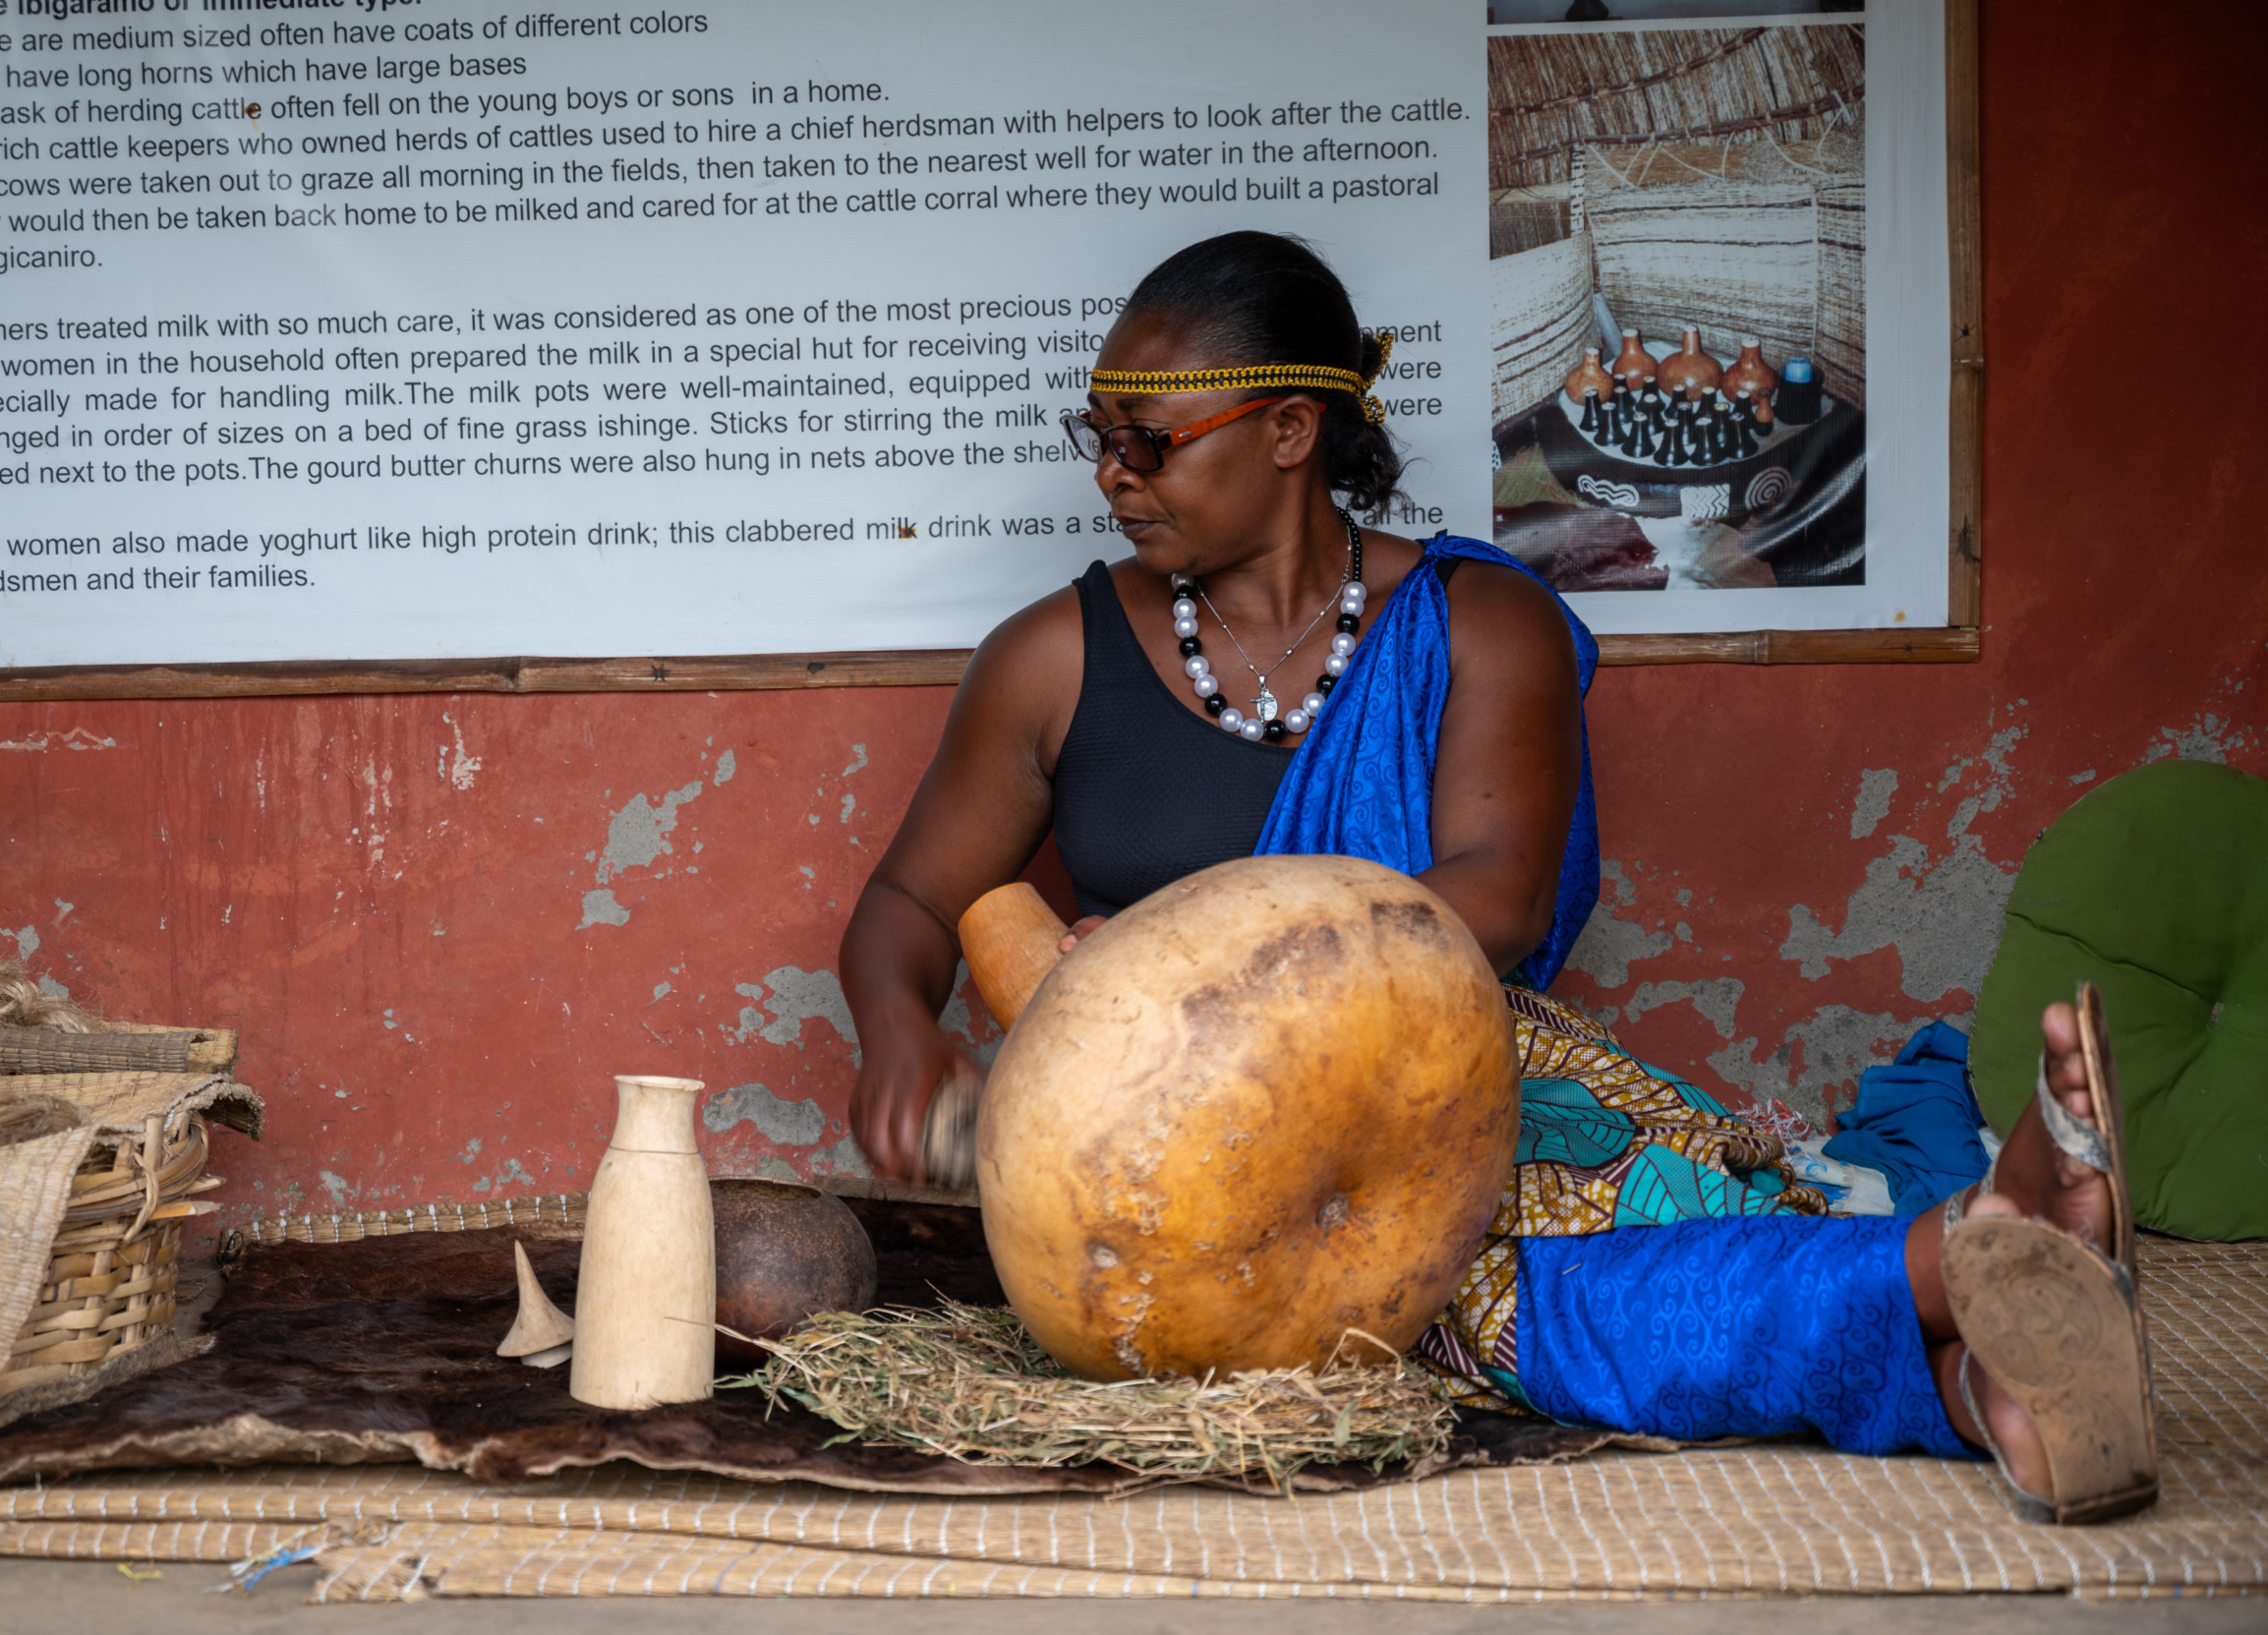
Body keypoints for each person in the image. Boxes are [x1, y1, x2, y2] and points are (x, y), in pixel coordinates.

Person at [838, 232, 2156, 1525]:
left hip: (1448, 1086)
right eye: (1101, 437)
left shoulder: (1479, 622)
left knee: (1554, 1263)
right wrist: (898, 1033)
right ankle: (1973, 1295)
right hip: (1169, 1181)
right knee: (1516, 1305)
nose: (1114, 476)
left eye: (1152, 441)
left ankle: (1984, 1354)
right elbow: (907, 902)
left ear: (1292, 431)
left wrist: (1168, 972)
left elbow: (1501, 895)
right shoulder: (1052, 659)